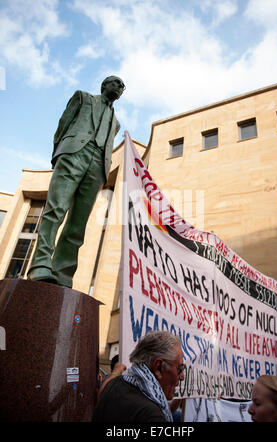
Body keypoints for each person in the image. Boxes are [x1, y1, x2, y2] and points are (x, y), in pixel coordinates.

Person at [27, 76, 125, 287]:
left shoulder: (116, 122)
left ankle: (63, 272)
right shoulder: (83, 98)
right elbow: (64, 124)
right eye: (115, 83)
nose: (119, 87)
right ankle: (40, 264)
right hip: (74, 154)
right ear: (104, 85)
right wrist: (59, 154)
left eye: (122, 86)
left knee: (78, 224)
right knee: (56, 209)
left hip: (97, 167)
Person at [92, 331, 185, 422]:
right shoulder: (151, 415)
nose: (182, 377)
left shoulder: (113, 384)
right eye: (179, 369)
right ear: (158, 367)